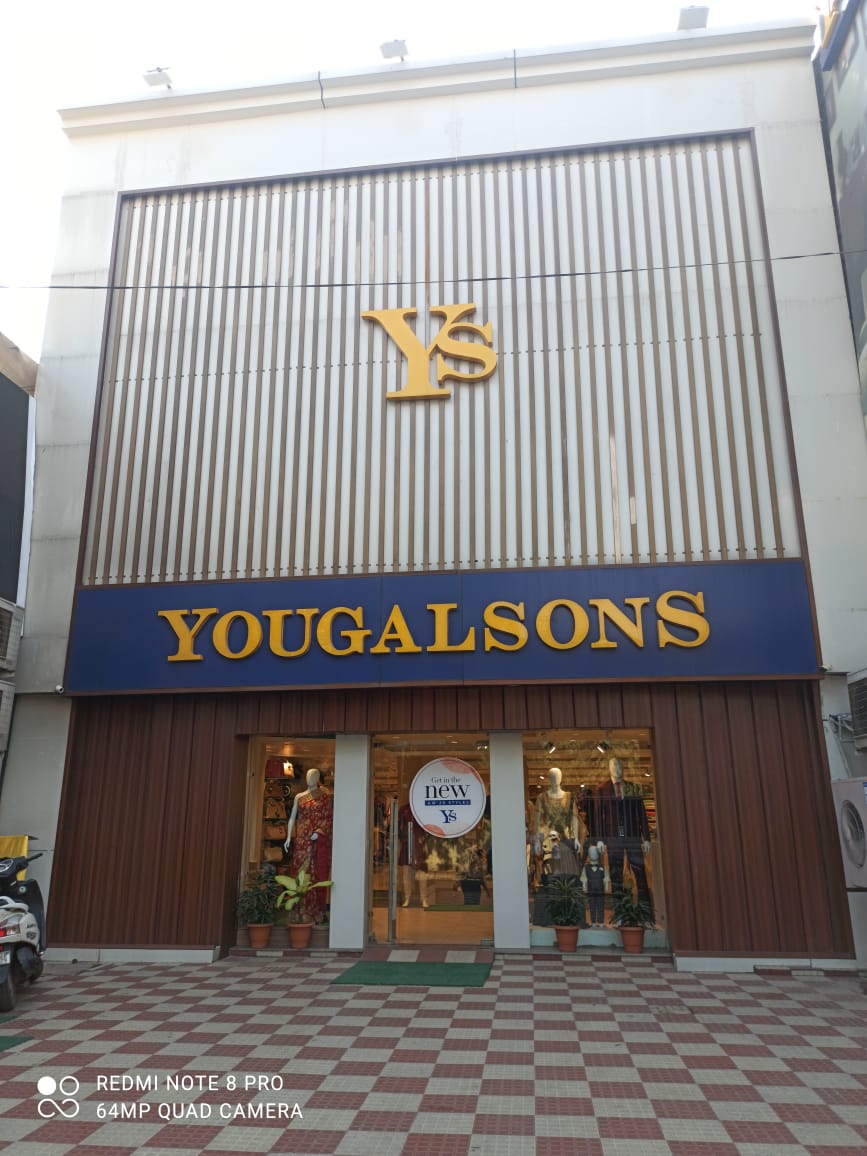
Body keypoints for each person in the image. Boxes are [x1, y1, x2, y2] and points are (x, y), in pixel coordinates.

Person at [589, 757, 652, 909]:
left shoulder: (632, 787)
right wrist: (600, 839)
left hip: (632, 834)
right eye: (613, 766)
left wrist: (646, 838)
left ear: (623, 768)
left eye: (619, 766)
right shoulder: (602, 789)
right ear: (609, 769)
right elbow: (598, 816)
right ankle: (620, 909)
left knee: (640, 872)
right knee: (615, 873)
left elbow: (641, 813)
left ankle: (645, 909)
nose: (617, 769)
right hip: (613, 836)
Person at [284, 768, 333, 921]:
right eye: (308, 776)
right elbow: (292, 818)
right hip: (301, 839)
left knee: (314, 872)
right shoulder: (299, 797)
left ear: (318, 778)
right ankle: (300, 908)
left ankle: (313, 909)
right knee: (300, 869)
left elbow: (328, 818)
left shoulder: (324, 796)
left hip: (315, 839)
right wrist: (288, 836)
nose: (309, 779)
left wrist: (319, 832)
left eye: (313, 776)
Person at [535, 767, 585, 875]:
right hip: (548, 838)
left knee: (566, 867)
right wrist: (538, 840)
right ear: (549, 779)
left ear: (561, 778)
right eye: (552, 776)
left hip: (565, 838)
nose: (555, 779)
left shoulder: (569, 797)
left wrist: (576, 838)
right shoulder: (542, 798)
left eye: (557, 776)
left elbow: (574, 818)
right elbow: (538, 821)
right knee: (550, 868)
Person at [580, 844, 610, 927]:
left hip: (600, 890)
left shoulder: (602, 867)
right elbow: (584, 878)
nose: (593, 854)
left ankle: (601, 922)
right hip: (591, 890)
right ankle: (593, 922)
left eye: (595, 853)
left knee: (600, 905)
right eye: (591, 853)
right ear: (589, 855)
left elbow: (606, 877)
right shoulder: (586, 868)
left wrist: (606, 886)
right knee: (592, 905)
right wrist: (584, 887)